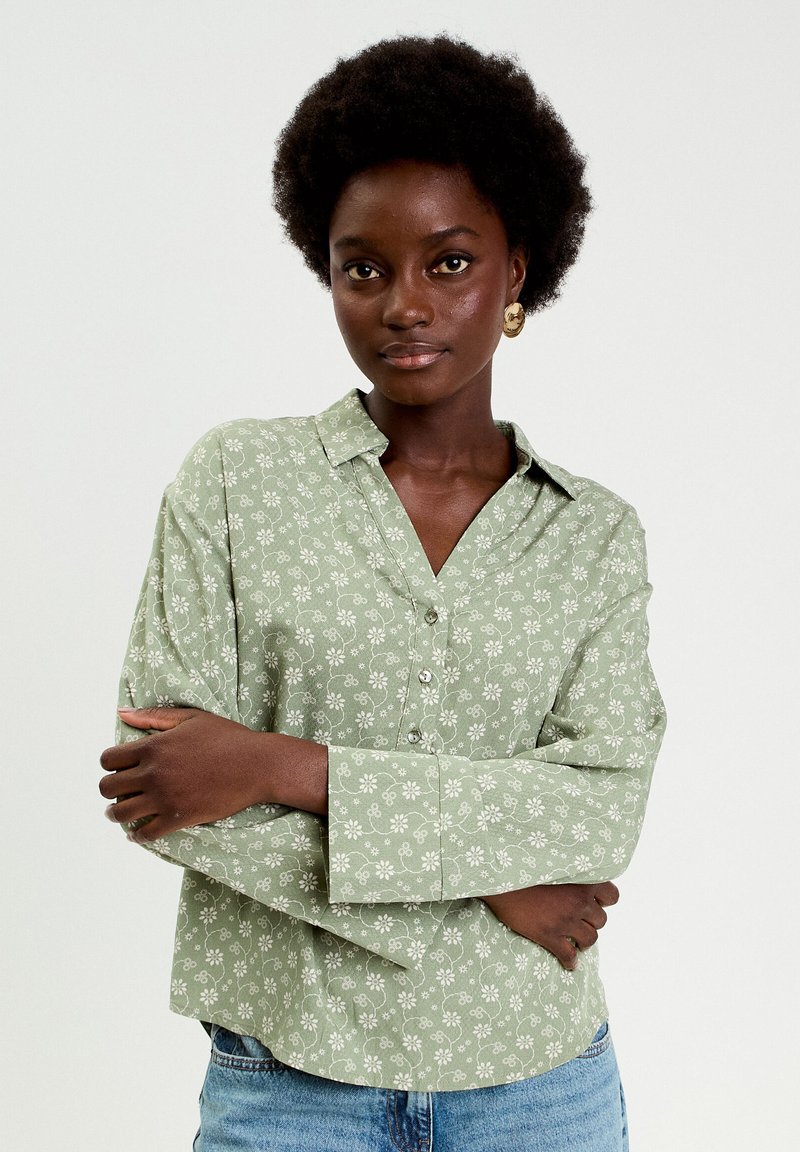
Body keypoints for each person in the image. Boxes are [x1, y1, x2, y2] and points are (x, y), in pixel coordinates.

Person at [99, 34, 665, 1152]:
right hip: (288, 1082)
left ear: (516, 271)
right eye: (364, 268)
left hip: (537, 1086)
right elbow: (163, 788)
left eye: (447, 263)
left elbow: (598, 807)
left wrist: (280, 765)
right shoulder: (236, 482)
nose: (404, 304)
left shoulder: (592, 535)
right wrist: (493, 882)